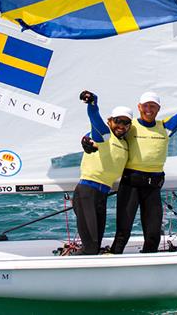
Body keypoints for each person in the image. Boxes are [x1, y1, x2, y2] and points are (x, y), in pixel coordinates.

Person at [84, 69, 177, 254]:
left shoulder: (165, 127)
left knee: (153, 234)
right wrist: (85, 140)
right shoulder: (128, 125)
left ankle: (149, 263)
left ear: (158, 109)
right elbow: (104, 131)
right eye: (145, 106)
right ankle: (114, 257)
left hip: (153, 186)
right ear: (139, 107)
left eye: (153, 107)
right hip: (130, 185)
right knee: (123, 231)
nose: (149, 110)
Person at [73, 93, 132, 255]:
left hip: (102, 195)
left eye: (126, 122)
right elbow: (94, 119)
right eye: (118, 121)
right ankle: (61, 273)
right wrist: (93, 103)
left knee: (95, 245)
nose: (122, 125)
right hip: (87, 193)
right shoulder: (105, 136)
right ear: (110, 121)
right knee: (91, 246)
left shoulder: (126, 143)